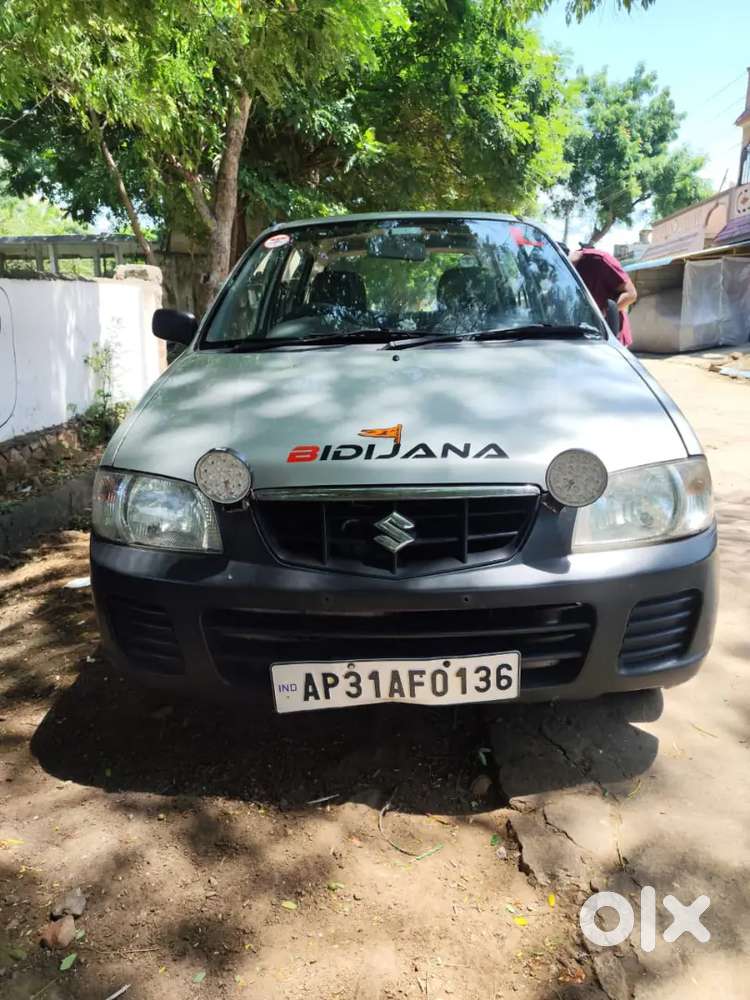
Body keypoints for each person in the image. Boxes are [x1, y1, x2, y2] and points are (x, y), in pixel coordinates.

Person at [570, 244, 637, 347]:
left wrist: (600, 315)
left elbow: (631, 294)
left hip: (611, 338)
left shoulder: (599, 260)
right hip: (579, 337)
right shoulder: (554, 273)